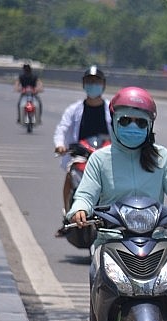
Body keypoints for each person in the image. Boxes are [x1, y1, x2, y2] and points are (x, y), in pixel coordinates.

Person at [66, 86, 167, 231]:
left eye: (141, 122)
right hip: (111, 239)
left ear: (150, 126)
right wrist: (80, 208)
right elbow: (86, 195)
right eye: (125, 121)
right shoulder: (99, 159)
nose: (132, 126)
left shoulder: (161, 156)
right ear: (114, 121)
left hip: (155, 239)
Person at [53, 66, 111, 217]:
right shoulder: (74, 109)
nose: (93, 85)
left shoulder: (111, 109)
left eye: (96, 81)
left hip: (107, 156)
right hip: (81, 155)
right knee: (69, 174)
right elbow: (62, 128)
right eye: (89, 81)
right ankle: (67, 214)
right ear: (84, 84)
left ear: (103, 85)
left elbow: (120, 131)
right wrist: (60, 145)